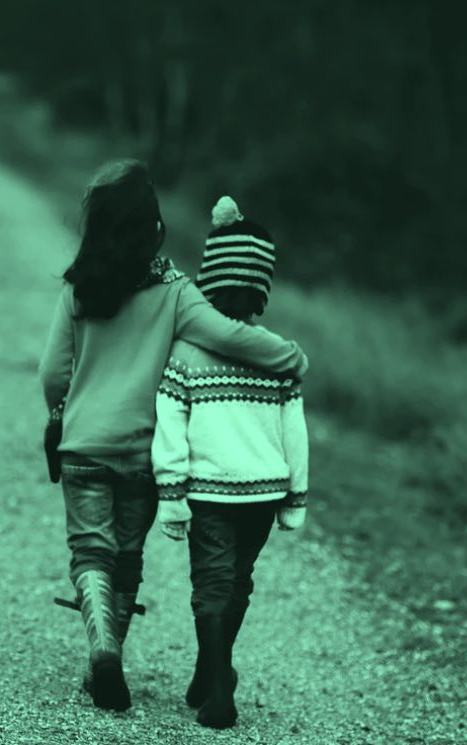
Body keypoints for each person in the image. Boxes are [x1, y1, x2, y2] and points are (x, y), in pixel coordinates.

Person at [37, 162, 309, 712]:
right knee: (126, 558)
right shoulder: (176, 292)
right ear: (153, 228)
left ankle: (103, 648)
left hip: (84, 447)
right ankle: (110, 654)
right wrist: (291, 357)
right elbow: (230, 336)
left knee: (90, 551)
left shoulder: (78, 289)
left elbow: (52, 373)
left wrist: (63, 414)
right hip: (142, 453)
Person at [152, 196, 309, 729]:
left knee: (211, 585)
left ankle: (218, 687)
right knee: (238, 581)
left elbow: (170, 425)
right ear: (262, 289)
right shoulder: (276, 355)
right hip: (263, 493)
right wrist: (295, 497)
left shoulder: (186, 353)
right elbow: (294, 433)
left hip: (210, 492)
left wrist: (171, 494)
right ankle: (212, 671)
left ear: (208, 281)